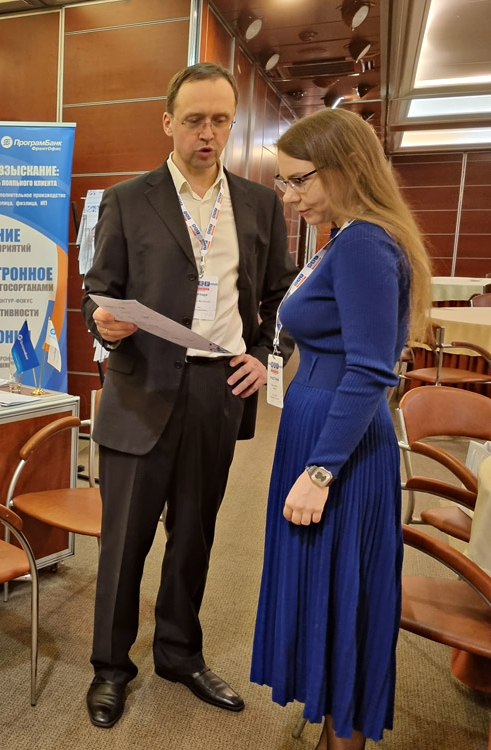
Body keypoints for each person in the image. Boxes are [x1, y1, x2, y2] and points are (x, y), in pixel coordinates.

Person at [81, 62, 298, 728]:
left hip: (216, 391)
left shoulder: (258, 204)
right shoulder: (127, 199)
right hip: (141, 388)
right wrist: (102, 322)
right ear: (168, 121)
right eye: (195, 119)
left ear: (232, 124)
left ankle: (178, 652)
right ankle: (111, 668)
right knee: (124, 543)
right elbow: (98, 290)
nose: (208, 133)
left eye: (220, 120)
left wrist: (266, 357)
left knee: (195, 535)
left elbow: (280, 295)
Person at [251, 108, 431, 748]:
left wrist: (321, 470)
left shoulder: (364, 244)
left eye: (300, 180)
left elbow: (371, 371)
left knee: (344, 594)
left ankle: (343, 736)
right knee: (327, 592)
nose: (289, 196)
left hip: (340, 447)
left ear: (349, 167)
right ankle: (333, 727)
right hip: (324, 430)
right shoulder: (349, 237)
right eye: (284, 182)